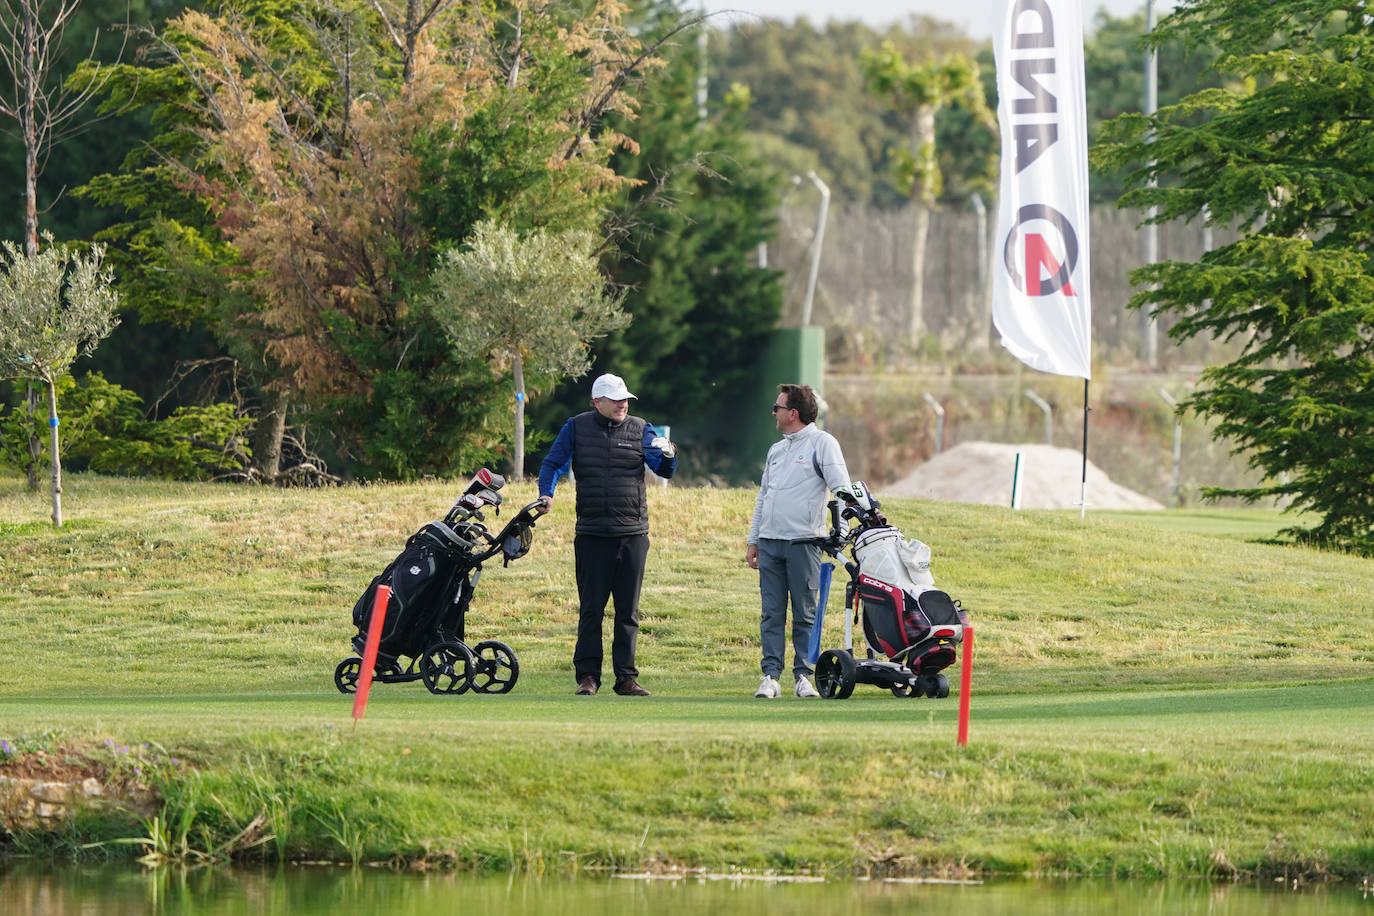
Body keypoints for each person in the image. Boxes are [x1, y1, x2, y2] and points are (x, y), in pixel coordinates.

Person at [538, 373, 678, 697]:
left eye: (625, 399)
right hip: (591, 533)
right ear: (597, 401)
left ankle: (626, 678)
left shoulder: (642, 428)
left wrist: (669, 454)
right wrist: (547, 493)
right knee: (591, 610)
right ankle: (588, 677)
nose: (623, 404)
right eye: (616, 399)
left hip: (632, 534)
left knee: (628, 611)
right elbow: (553, 464)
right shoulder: (576, 426)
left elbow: (663, 469)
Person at [745, 383, 851, 699]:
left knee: (805, 613)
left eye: (777, 408)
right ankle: (770, 676)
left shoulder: (823, 443)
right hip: (770, 542)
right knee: (771, 613)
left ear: (793, 413)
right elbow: (764, 497)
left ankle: (804, 675)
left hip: (804, 544)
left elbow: (841, 489)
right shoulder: (776, 450)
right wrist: (753, 540)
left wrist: (841, 532)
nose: (773, 413)